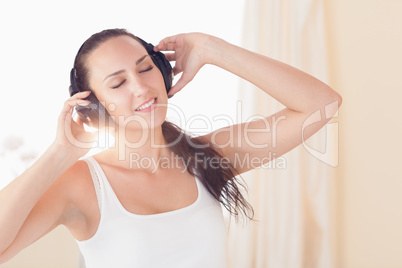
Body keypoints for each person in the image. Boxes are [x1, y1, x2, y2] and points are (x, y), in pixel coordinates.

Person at [0, 28, 342, 267]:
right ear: (94, 104)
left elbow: (321, 105)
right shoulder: (81, 183)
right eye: (118, 83)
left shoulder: (207, 155)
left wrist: (211, 49)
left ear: (163, 72)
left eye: (147, 68)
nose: (141, 87)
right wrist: (61, 152)